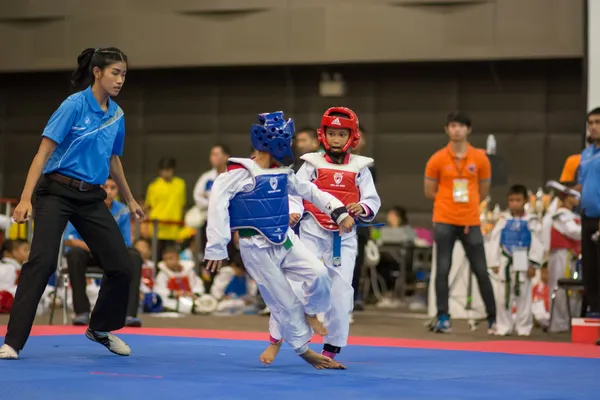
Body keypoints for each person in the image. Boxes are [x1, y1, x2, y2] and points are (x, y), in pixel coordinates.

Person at [0, 47, 144, 360]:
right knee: (43, 262)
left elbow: (114, 159)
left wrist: (130, 199)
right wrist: (25, 198)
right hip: (56, 192)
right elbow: (43, 153)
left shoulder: (117, 115)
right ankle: (12, 342)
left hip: (92, 196)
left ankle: (100, 328)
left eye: (124, 74)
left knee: (122, 265)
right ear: (97, 72)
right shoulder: (74, 106)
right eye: (115, 73)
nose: (120, 80)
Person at [204, 111, 354, 370]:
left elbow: (310, 191)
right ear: (274, 141)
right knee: (284, 302)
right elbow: (216, 206)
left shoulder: (283, 172)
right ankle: (304, 351)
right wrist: (217, 248)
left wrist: (338, 211)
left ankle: (311, 311)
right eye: (289, 140)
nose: (292, 145)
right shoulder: (238, 172)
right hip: (256, 249)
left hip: (284, 239)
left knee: (319, 274)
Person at [261, 107, 381, 364]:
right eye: (332, 133)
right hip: (311, 232)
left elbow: (372, 199)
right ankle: (275, 340)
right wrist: (293, 210)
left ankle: (331, 349)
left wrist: (363, 207)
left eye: (341, 134)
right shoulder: (311, 164)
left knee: (340, 292)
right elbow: (295, 191)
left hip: (344, 237)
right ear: (323, 135)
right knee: (293, 285)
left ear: (352, 137)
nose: (336, 139)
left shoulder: (361, 168)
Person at [424, 112, 496, 333]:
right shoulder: (437, 158)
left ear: (468, 130)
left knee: (481, 270)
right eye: (453, 126)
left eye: (461, 126)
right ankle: (443, 316)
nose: (457, 130)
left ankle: (494, 318)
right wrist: (448, 204)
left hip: (470, 221)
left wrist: (467, 205)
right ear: (447, 129)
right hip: (444, 220)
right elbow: (429, 191)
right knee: (442, 269)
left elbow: (484, 191)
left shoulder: (480, 158)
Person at [64, 176, 143, 327]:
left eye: (113, 188)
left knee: (133, 255)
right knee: (74, 254)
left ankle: (129, 314)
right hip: (87, 252)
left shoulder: (123, 211)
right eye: (105, 187)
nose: (109, 191)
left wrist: (107, 247)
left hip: (112, 253)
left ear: (117, 190)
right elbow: (69, 239)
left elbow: (125, 242)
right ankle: (81, 312)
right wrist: (97, 246)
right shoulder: (82, 205)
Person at [487, 185, 544, 336]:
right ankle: (504, 326)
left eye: (518, 200)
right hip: (506, 259)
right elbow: (494, 241)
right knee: (503, 296)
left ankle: (523, 327)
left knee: (523, 295)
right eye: (511, 200)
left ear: (525, 200)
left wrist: (533, 263)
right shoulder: (503, 220)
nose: (514, 203)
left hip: (522, 258)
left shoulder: (530, 221)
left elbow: (537, 242)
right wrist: (494, 262)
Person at [577, 108, 600, 341]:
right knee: (590, 271)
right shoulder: (585, 154)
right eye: (590, 123)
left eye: (598, 122)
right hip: (587, 217)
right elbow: (583, 185)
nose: (593, 127)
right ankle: (594, 317)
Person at [546, 182, 581, 332]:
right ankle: (559, 323)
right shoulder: (560, 215)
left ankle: (571, 321)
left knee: (573, 291)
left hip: (572, 256)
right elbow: (574, 232)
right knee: (560, 290)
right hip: (562, 256)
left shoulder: (572, 215)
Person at [192, 144, 230, 253]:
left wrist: (211, 199)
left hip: (229, 222)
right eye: (212, 154)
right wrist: (215, 204)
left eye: (216, 154)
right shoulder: (206, 177)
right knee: (208, 254)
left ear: (226, 156)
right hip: (208, 222)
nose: (213, 157)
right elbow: (197, 197)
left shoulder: (233, 175)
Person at [145, 157, 186, 259]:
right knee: (156, 257)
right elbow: (149, 207)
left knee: (172, 258)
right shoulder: (154, 185)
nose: (166, 172)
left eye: (169, 169)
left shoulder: (180, 184)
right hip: (157, 228)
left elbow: (182, 205)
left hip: (174, 229)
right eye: (164, 169)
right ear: (159, 171)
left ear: (173, 170)